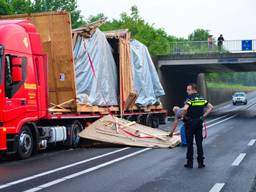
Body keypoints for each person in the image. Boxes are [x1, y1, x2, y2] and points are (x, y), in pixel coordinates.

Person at [182, 83, 213, 169]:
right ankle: (201, 163)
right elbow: (211, 107)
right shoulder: (202, 98)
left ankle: (190, 163)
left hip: (190, 123)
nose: (187, 91)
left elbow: (185, 109)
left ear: (193, 90)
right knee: (199, 143)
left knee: (190, 143)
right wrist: (203, 116)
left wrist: (183, 116)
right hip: (199, 122)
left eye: (188, 89)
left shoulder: (190, 99)